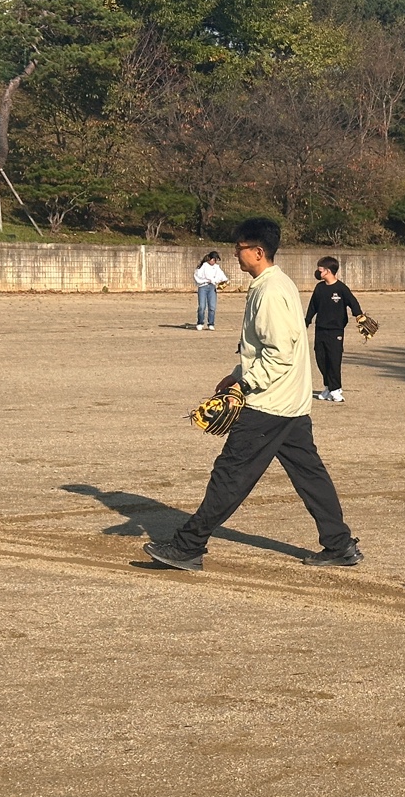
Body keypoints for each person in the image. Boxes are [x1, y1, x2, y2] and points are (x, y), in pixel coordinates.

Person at [143, 218, 362, 573]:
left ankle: (188, 546)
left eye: (240, 249)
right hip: (290, 402)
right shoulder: (276, 283)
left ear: (258, 251)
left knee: (230, 473)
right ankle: (338, 544)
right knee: (310, 475)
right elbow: (267, 347)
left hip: (269, 404)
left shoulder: (270, 290)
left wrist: (244, 386)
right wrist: (235, 374)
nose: (236, 255)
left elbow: (279, 352)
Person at [304, 256, 363, 404]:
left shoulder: (341, 288)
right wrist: (306, 321)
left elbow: (353, 302)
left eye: (320, 270)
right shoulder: (320, 288)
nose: (318, 272)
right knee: (321, 359)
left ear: (328, 271)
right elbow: (313, 306)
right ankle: (328, 387)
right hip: (320, 329)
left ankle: (336, 390)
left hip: (336, 331)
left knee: (334, 360)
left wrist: (359, 315)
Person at [193, 251, 229, 331]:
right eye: (213, 259)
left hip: (212, 287)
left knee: (212, 306)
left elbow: (221, 275)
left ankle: (211, 323)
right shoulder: (203, 266)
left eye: (215, 260)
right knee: (202, 306)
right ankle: (200, 322)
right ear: (209, 258)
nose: (214, 261)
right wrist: (206, 280)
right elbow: (197, 276)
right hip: (203, 286)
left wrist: (225, 280)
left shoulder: (216, 267)